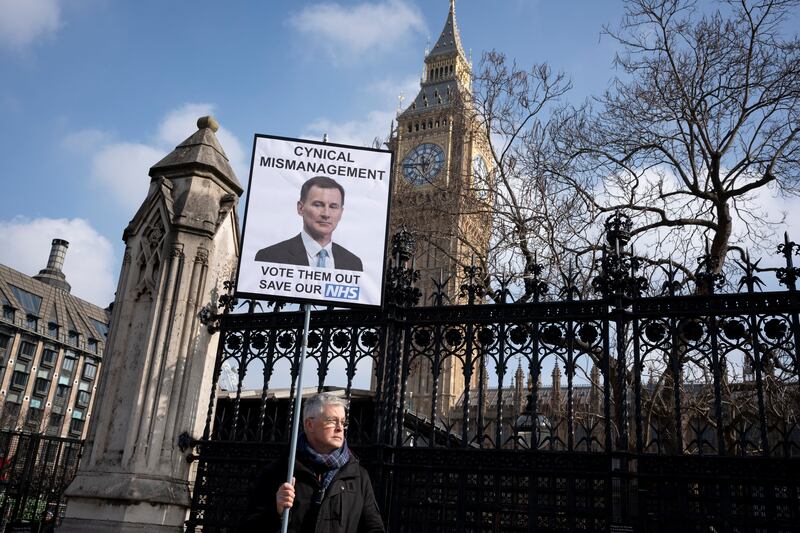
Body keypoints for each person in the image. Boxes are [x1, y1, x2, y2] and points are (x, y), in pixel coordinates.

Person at [240, 393, 384, 533]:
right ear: (309, 424)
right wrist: (275, 511)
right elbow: (248, 526)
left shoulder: (358, 476)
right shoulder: (279, 471)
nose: (340, 428)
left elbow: (374, 527)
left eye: (342, 422)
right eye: (332, 421)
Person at [255, 176, 363, 271]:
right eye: (318, 205)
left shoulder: (354, 264)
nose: (326, 214)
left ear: (341, 213)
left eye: (333, 207)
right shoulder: (269, 257)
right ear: (300, 208)